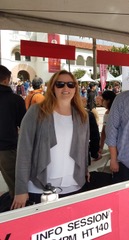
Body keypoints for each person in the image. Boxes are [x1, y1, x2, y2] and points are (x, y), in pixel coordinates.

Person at [11, 70, 90, 208]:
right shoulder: (37, 111)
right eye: (60, 84)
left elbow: (83, 147)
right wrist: (21, 189)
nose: (66, 88)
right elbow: (24, 151)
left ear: (75, 88)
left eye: (70, 84)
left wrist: (84, 170)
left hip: (74, 185)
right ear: (53, 87)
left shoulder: (82, 115)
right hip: (40, 186)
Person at [0, 65, 26, 198]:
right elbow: (24, 126)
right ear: (6, 80)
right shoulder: (15, 100)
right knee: (17, 187)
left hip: (6, 147)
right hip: (7, 148)